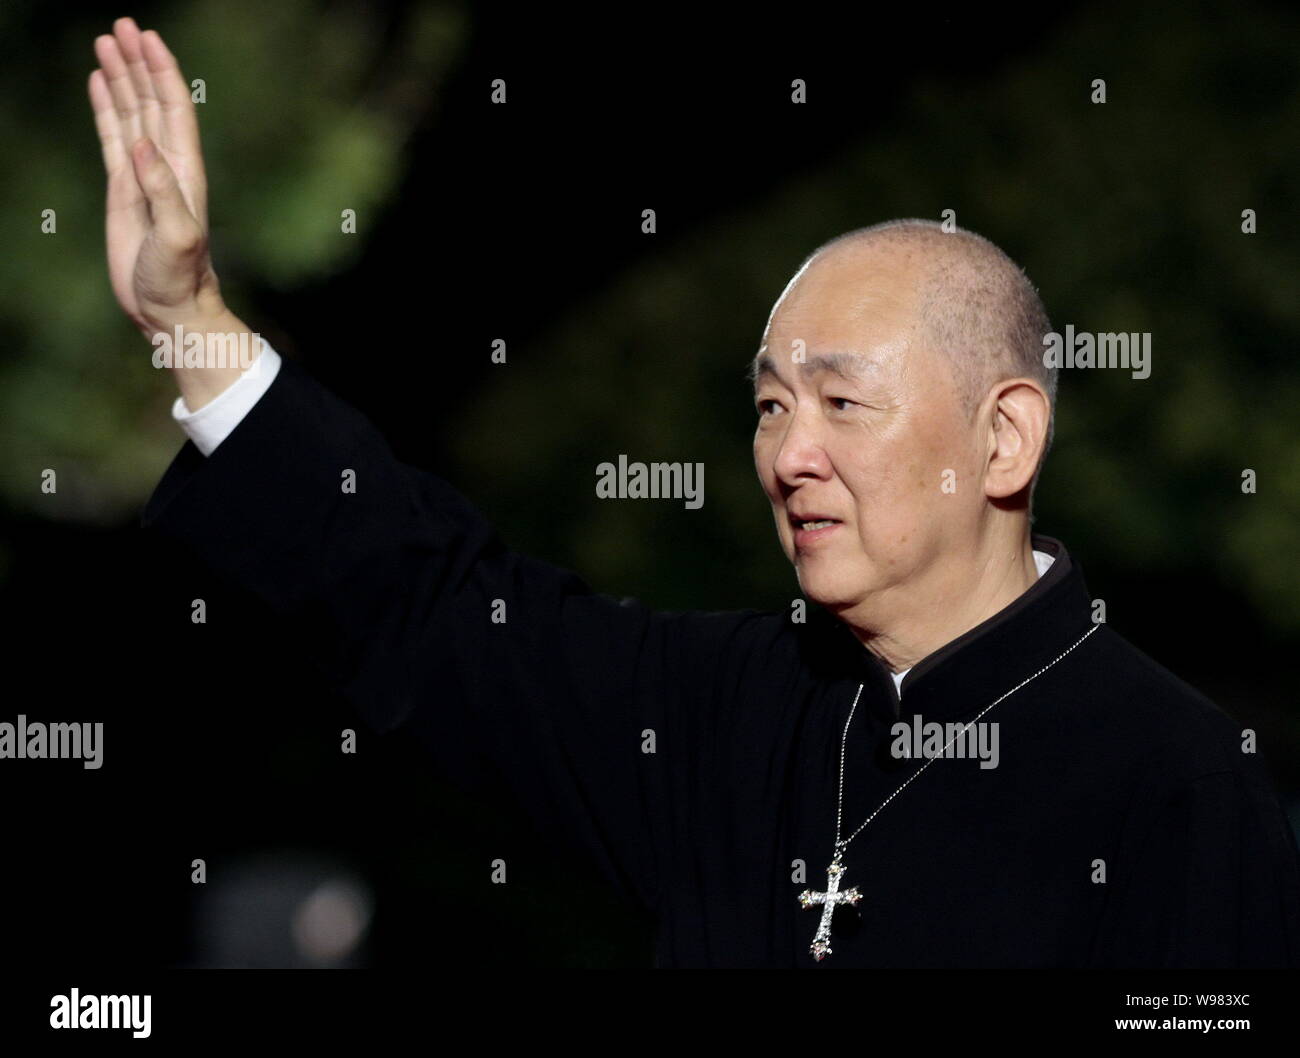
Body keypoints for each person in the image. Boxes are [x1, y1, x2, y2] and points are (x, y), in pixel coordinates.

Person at [89, 16, 1300, 967]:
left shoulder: (1177, 786)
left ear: (1003, 440)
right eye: (771, 404)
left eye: (841, 400)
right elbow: (438, 606)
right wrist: (189, 320)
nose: (788, 453)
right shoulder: (723, 708)